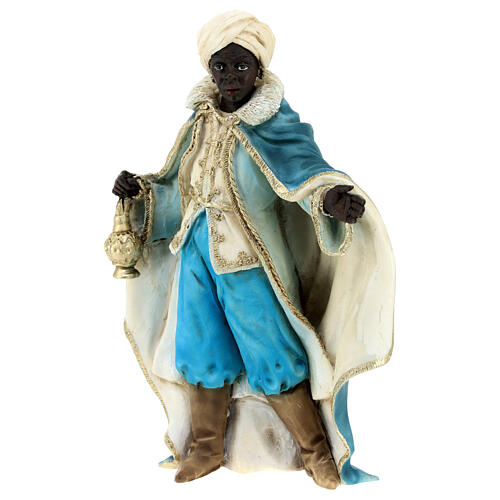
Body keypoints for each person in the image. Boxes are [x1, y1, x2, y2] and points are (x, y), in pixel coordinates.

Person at [112, 11, 395, 490]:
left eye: (240, 66)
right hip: (196, 254)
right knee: (200, 347)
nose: (230, 76)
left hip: (249, 260)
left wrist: (328, 199)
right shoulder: (200, 122)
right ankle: (205, 447)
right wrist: (140, 190)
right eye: (220, 67)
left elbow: (304, 169)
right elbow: (178, 184)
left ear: (259, 69)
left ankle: (315, 451)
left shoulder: (273, 121)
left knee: (272, 351)